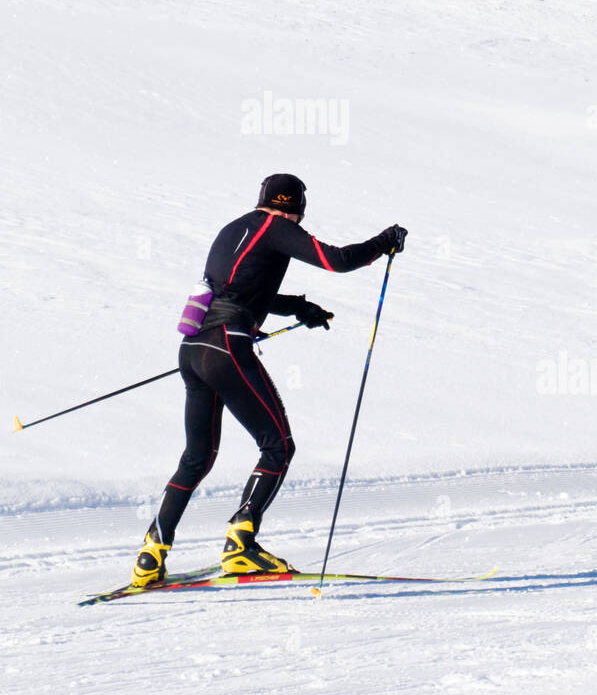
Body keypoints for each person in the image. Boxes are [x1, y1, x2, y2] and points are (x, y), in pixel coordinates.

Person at [131, 174, 406, 585]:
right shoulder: (278, 228)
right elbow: (338, 260)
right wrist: (384, 241)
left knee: (198, 456)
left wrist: (300, 307)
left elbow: (241, 290)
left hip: (194, 349)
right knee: (278, 446)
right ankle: (241, 544)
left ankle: (153, 550)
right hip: (227, 347)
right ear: (297, 208)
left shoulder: (233, 228)